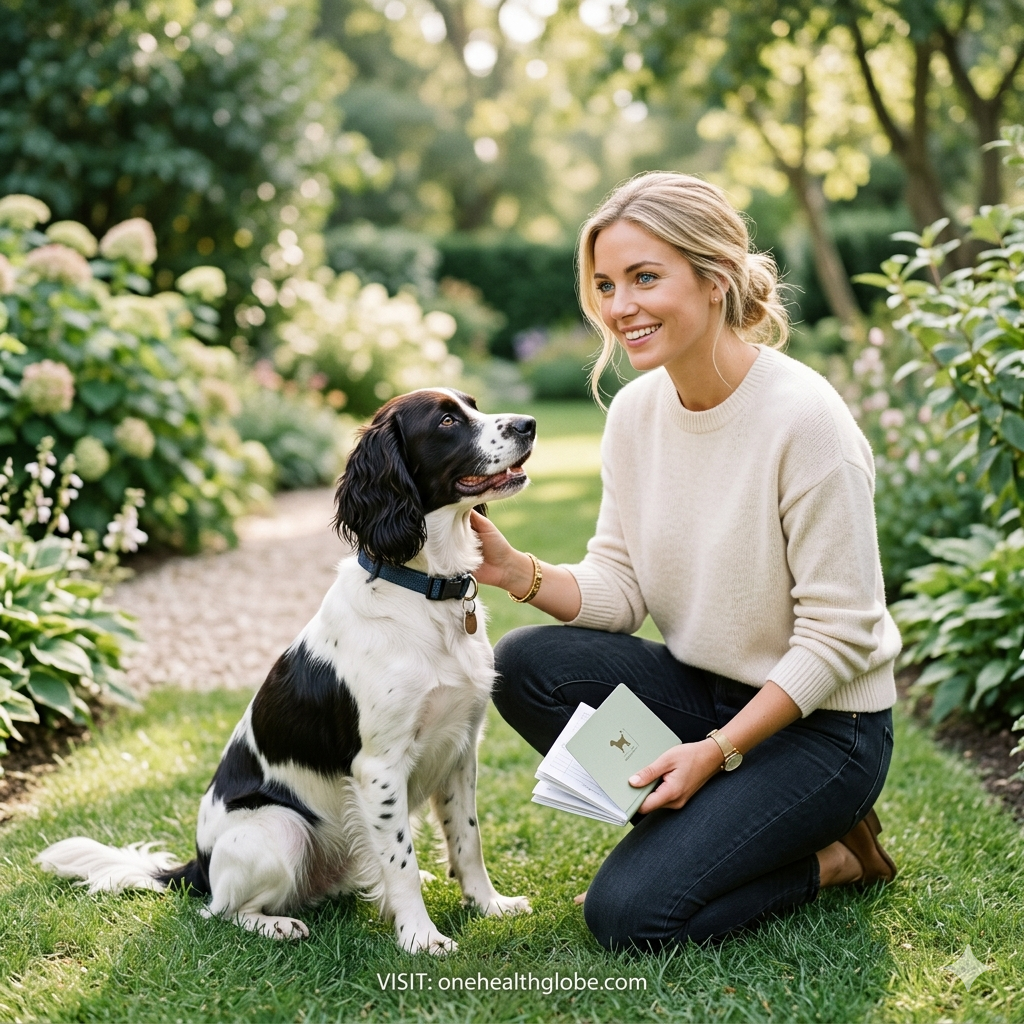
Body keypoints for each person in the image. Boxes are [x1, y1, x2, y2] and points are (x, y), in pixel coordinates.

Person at [470, 172, 901, 951]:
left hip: (826, 733)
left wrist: (719, 752)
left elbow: (841, 638)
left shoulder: (806, 421)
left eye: (644, 277)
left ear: (714, 280)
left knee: (631, 916)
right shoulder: (636, 413)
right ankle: (714, 829)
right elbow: (621, 586)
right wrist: (517, 573)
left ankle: (837, 855)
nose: (619, 306)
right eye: (605, 284)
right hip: (706, 693)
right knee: (527, 664)